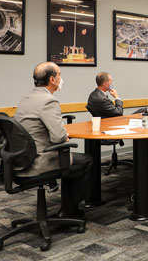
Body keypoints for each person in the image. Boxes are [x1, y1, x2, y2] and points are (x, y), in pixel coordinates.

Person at [14, 62, 92, 218]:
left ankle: (68, 207)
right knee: (86, 160)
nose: (61, 78)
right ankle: (71, 210)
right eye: (60, 75)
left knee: (70, 160)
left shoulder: (27, 98)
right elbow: (58, 137)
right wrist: (64, 135)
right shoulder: (49, 101)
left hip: (19, 160)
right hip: (38, 161)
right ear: (52, 79)